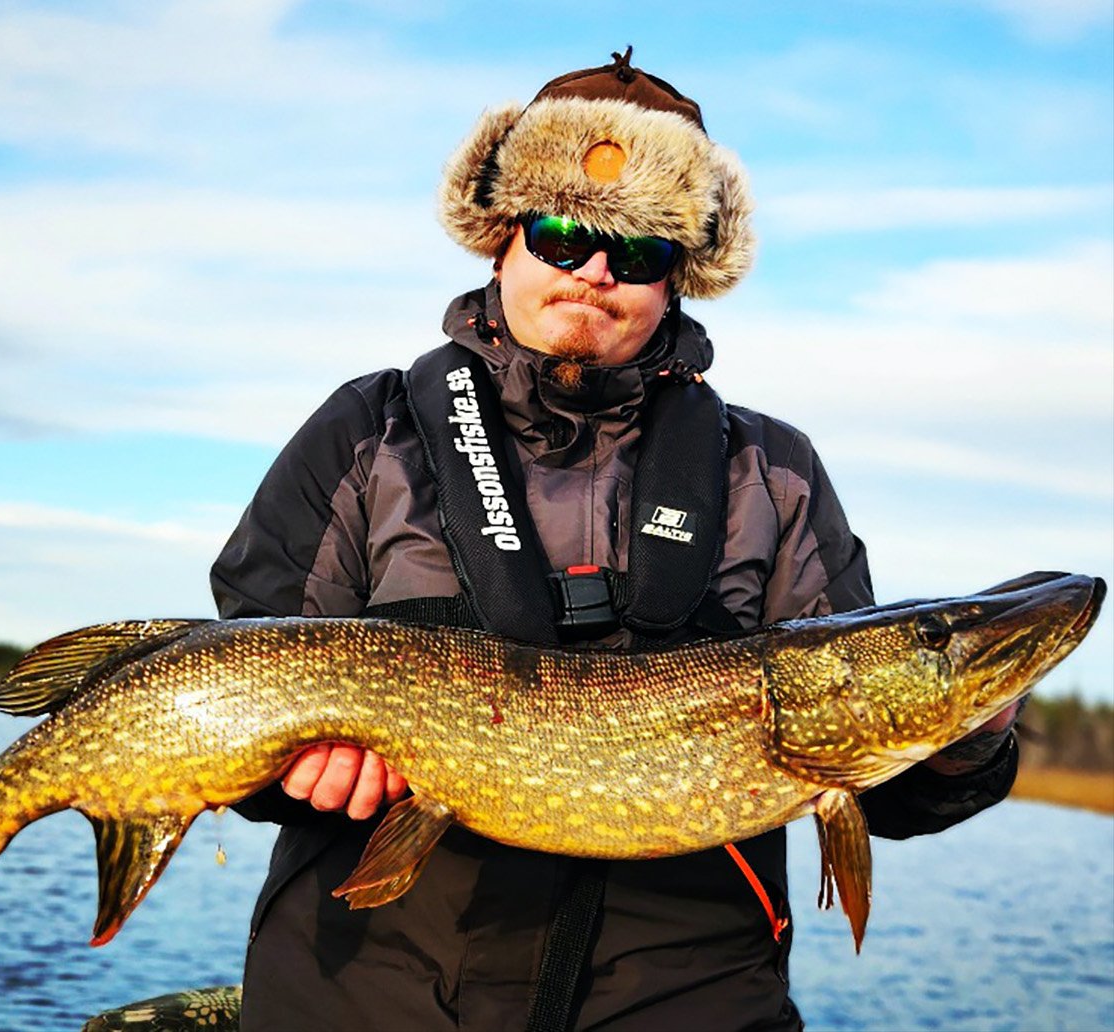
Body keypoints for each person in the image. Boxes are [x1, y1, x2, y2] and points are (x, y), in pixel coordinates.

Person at [210, 50, 1021, 1032]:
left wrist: (967, 744)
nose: (595, 271)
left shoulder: (772, 475)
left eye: (637, 253)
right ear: (502, 239)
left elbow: (882, 791)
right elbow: (230, 691)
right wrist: (282, 775)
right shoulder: (366, 435)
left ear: (677, 279)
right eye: (561, 235)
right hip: (371, 997)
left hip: (686, 1004)